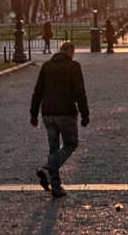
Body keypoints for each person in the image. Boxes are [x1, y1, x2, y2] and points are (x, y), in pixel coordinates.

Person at [30, 41, 89, 198]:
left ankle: (55, 186)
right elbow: (79, 92)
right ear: (70, 51)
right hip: (66, 112)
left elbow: (38, 91)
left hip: (47, 112)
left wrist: (33, 114)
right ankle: (48, 169)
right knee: (71, 143)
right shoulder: (73, 66)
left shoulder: (47, 66)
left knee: (53, 149)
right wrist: (85, 114)